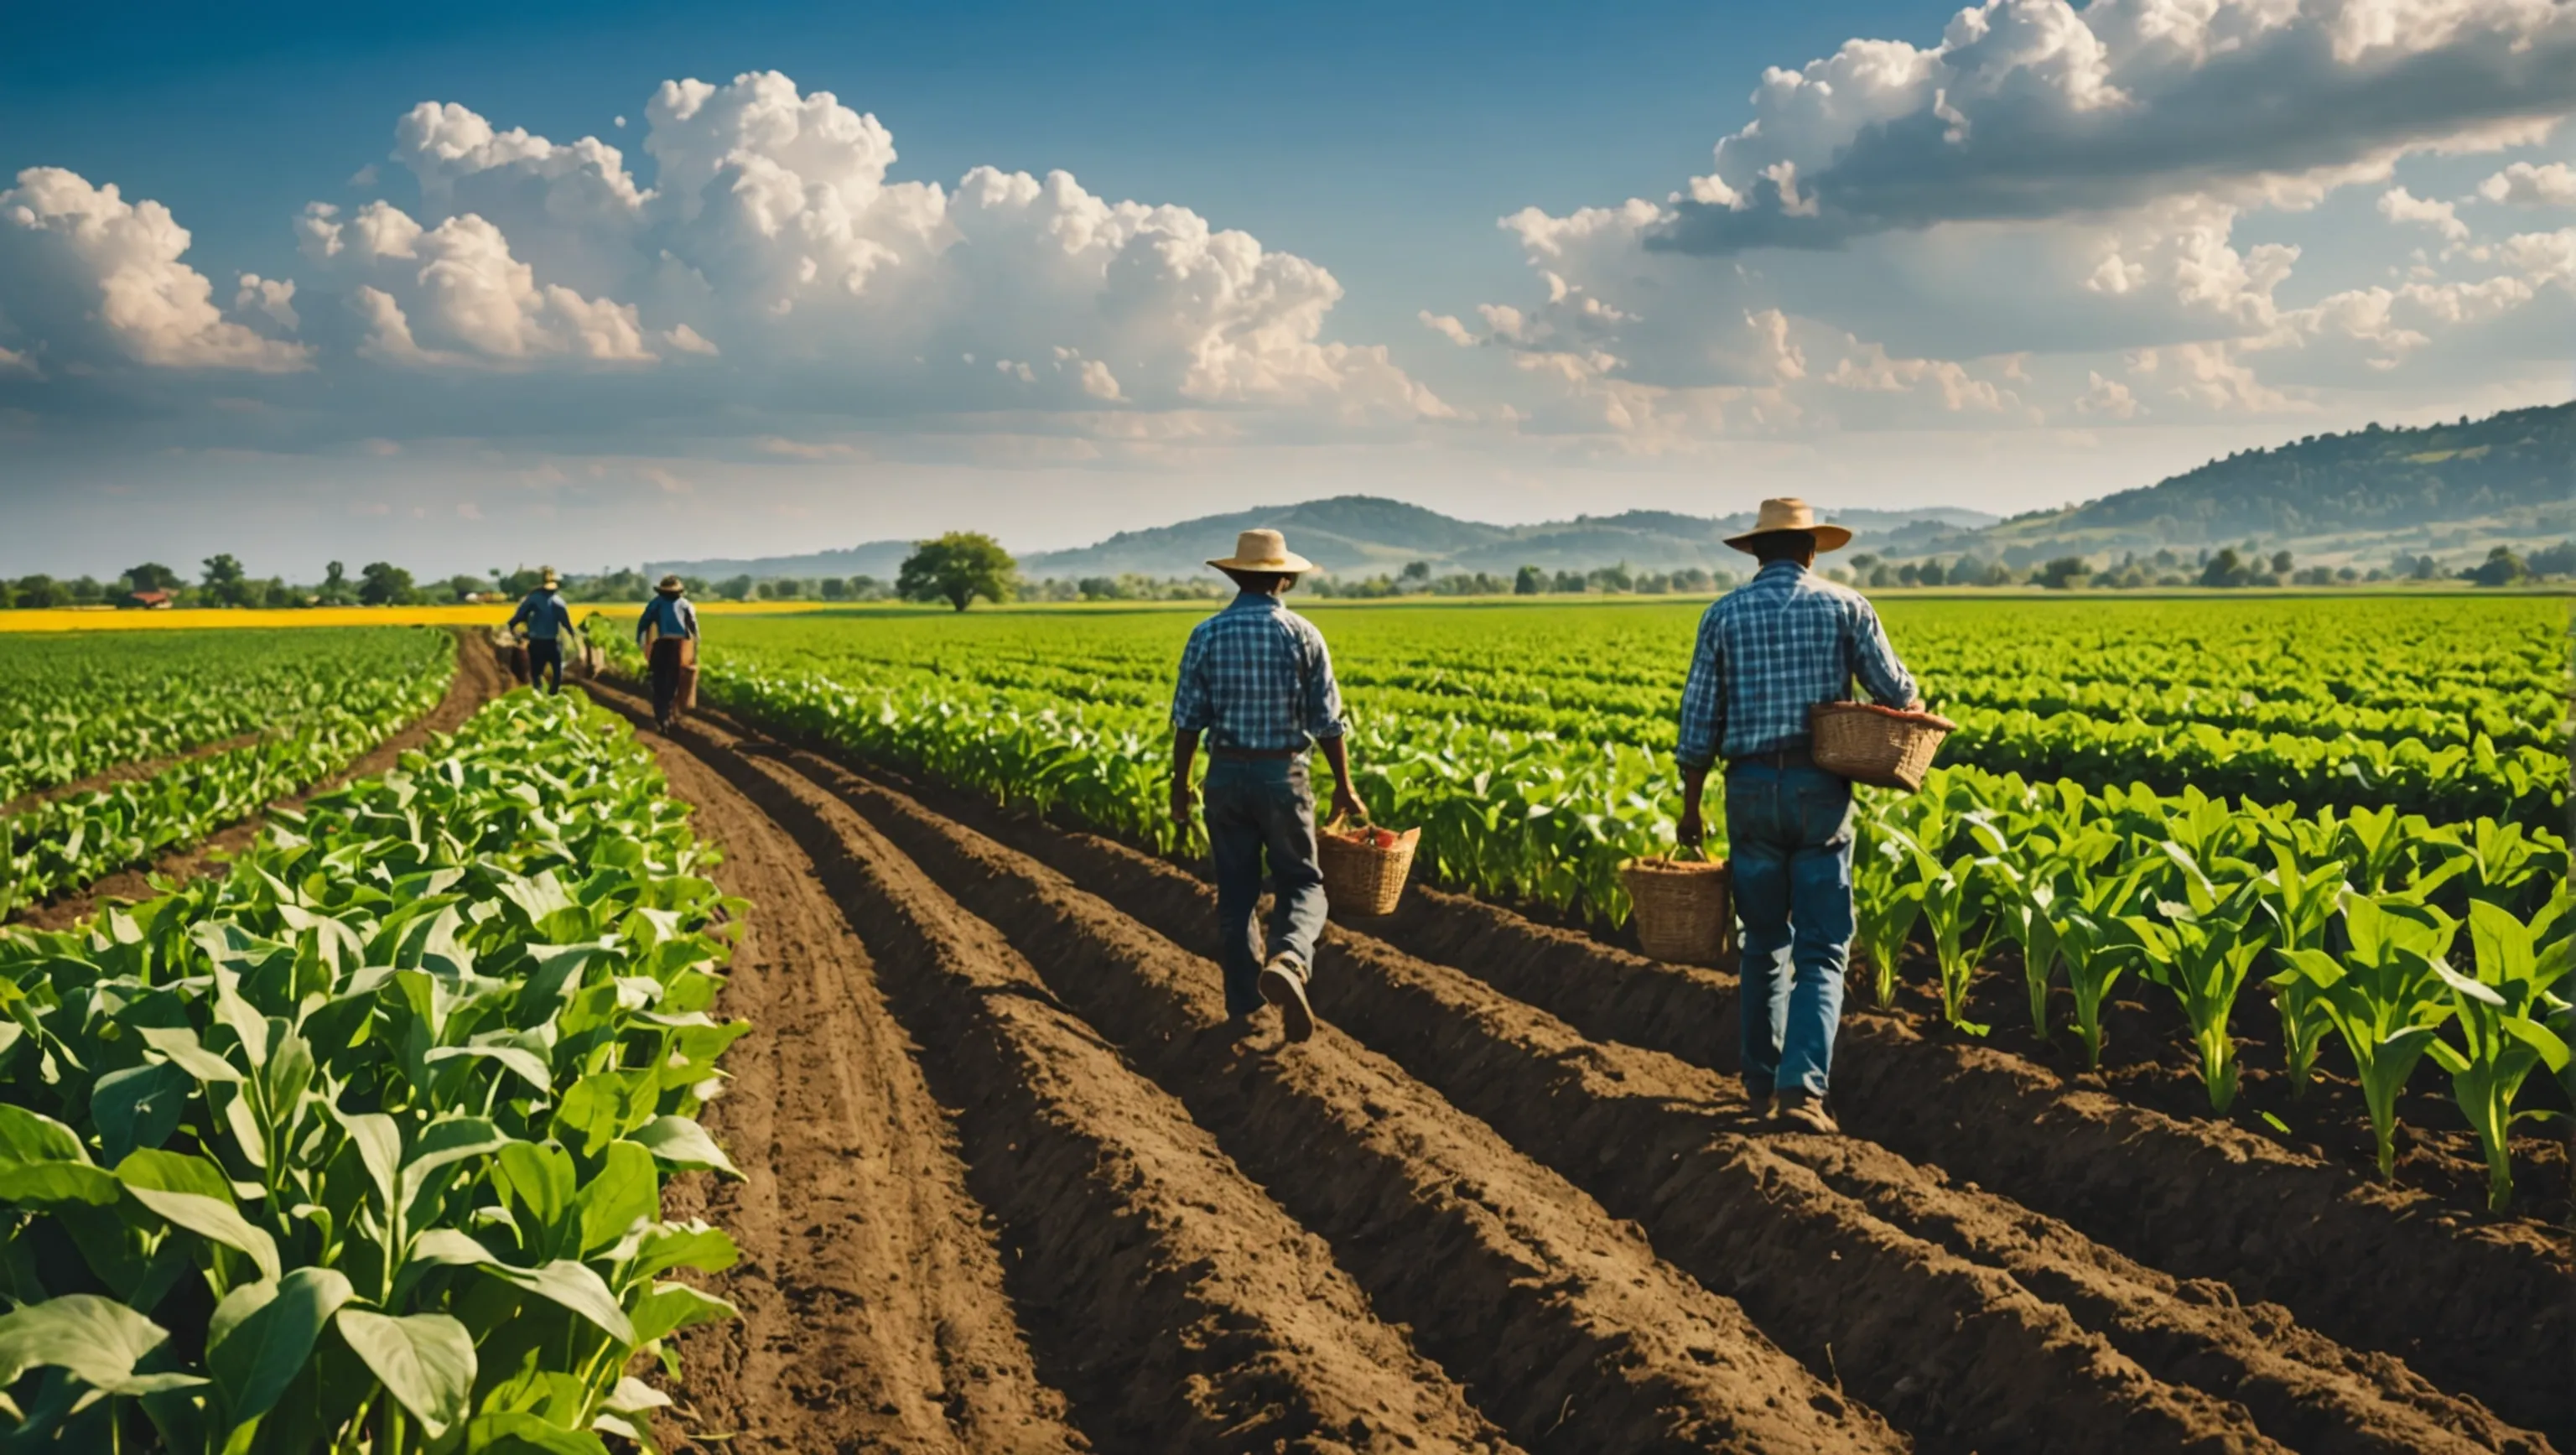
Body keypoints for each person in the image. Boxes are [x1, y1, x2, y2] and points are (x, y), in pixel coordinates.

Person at [1674, 498, 1919, 1135]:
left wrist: (1690, 807)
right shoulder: (1846, 606)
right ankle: (1803, 1091)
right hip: (1820, 787)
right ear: (1812, 549)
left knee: (1762, 941)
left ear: (1757, 552)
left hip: (1748, 786)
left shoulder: (1722, 615)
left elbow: (1698, 721)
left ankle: (1760, 1079)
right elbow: (1896, 692)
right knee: (1823, 946)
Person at [1169, 529, 1366, 1042]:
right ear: (1285, 577)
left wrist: (1179, 788)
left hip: (1226, 775)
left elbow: (1188, 722)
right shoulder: (1303, 634)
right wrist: (1344, 786)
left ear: (1234, 576)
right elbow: (1328, 722)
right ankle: (1291, 959)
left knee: (1235, 891)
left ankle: (1243, 1005)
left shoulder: (1206, 634)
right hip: (1283, 774)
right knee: (1302, 882)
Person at [636, 575, 701, 730]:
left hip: (665, 646)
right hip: (677, 647)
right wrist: (695, 648)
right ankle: (666, 714)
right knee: (671, 681)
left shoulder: (656, 603)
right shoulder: (685, 604)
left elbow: (644, 622)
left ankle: (663, 715)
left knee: (661, 681)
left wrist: (640, 639)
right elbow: (694, 629)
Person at [506, 568, 574, 694]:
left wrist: (513, 629)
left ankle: (539, 694)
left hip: (537, 642)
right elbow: (566, 623)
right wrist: (572, 634)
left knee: (537, 672)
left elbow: (517, 618)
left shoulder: (532, 599)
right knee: (557, 672)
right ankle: (553, 694)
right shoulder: (558, 602)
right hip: (551, 642)